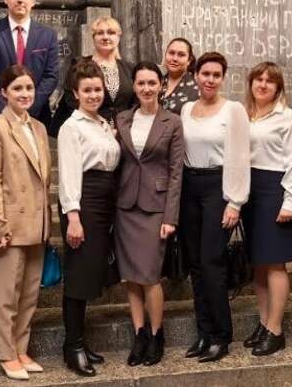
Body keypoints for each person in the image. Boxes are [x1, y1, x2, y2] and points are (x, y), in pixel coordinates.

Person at [0, 64, 52, 381]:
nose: (24, 93)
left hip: (36, 222)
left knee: (29, 294)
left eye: (29, 88)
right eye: (17, 88)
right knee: (6, 295)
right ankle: (7, 353)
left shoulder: (39, 128)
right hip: (8, 225)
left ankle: (21, 349)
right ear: (3, 92)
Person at [179, 52, 250, 363]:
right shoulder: (186, 109)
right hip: (189, 187)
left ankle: (221, 335)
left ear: (223, 78)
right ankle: (204, 332)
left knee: (212, 262)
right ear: (196, 75)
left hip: (218, 188)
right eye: (205, 73)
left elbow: (241, 156)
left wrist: (235, 201)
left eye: (216, 75)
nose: (209, 79)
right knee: (195, 264)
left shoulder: (233, 110)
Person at [114, 62, 185, 367]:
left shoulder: (173, 121)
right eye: (141, 83)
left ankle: (157, 334)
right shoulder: (121, 119)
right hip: (125, 206)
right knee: (130, 276)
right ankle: (139, 333)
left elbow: (176, 172)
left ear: (160, 85)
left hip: (155, 208)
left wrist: (170, 217)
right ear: (134, 86)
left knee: (150, 276)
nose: (146, 88)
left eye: (151, 83)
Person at [56, 60, 121, 377]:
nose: (93, 95)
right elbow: (69, 174)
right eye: (87, 90)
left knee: (91, 273)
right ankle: (73, 347)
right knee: (79, 274)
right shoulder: (72, 126)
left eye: (97, 89)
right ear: (75, 93)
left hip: (106, 200)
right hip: (84, 201)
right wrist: (73, 217)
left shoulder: (103, 124)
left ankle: (80, 341)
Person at [240, 62, 292, 356]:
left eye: (270, 81)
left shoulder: (287, 117)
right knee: (259, 263)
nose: (263, 84)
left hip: (274, 189)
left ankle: (276, 330)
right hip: (249, 190)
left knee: (275, 263)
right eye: (258, 79)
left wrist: (290, 201)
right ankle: (264, 323)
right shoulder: (244, 114)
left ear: (278, 87)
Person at [49, 16, 135, 134]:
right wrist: (97, 126)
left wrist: (123, 129)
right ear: (93, 38)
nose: (105, 37)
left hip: (123, 133)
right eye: (100, 33)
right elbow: (72, 101)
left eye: (111, 33)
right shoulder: (79, 65)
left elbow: (135, 103)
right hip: (87, 132)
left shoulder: (130, 69)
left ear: (118, 37)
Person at [160, 37, 199, 115]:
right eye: (171, 53)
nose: (175, 58)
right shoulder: (156, 82)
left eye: (181, 55)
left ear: (189, 60)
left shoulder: (197, 88)